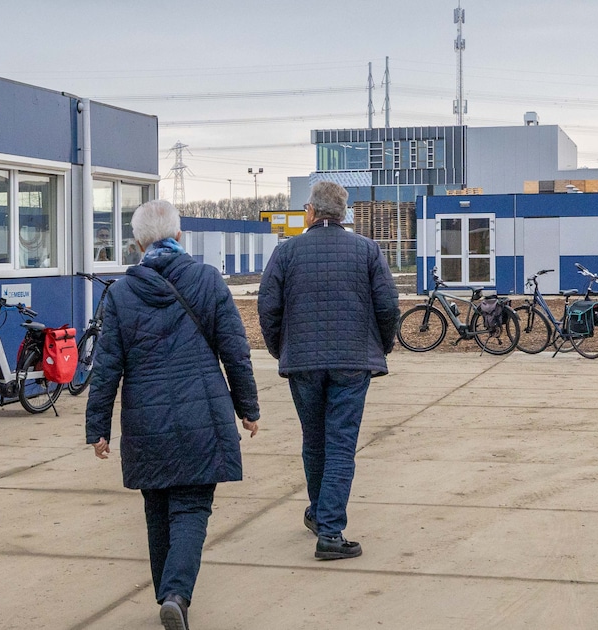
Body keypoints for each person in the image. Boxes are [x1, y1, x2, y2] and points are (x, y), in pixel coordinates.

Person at [86, 199, 260, 630]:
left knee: (157, 505)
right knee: (192, 506)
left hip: (146, 421)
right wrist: (248, 409)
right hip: (204, 411)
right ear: (180, 236)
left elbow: (106, 366)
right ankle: (177, 595)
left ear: (137, 243)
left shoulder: (122, 293)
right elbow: (235, 350)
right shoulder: (206, 279)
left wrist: (98, 428)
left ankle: (167, 595)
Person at [257, 181, 400, 561]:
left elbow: (267, 308)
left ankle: (320, 515)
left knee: (314, 439)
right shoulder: (368, 250)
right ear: (343, 214)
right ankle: (330, 530)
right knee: (340, 444)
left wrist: (281, 349)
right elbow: (388, 306)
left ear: (311, 212)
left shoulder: (286, 253)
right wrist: (380, 346)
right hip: (352, 361)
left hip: (303, 361)